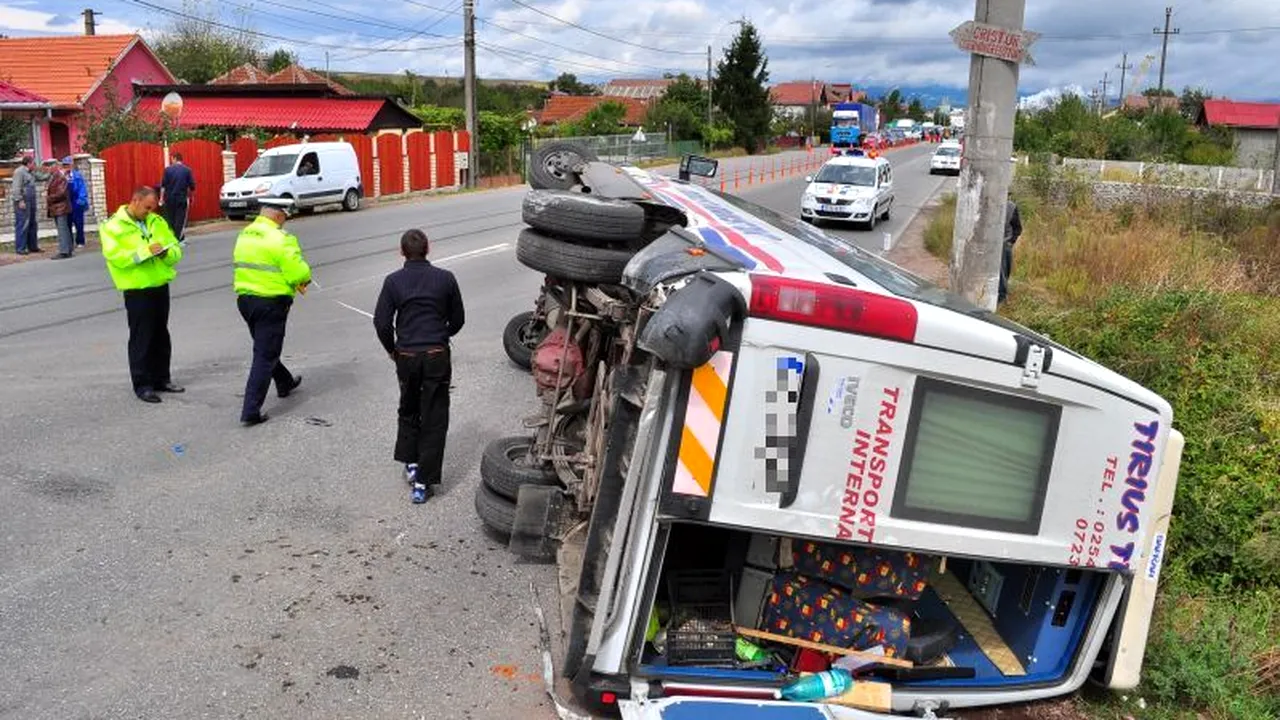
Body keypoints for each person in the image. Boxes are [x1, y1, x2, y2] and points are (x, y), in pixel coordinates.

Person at [373, 228, 465, 504]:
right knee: (435, 415)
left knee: (409, 407)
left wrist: (393, 349)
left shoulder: (393, 282)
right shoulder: (445, 279)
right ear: (429, 248)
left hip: (407, 356)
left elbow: (381, 322)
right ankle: (423, 482)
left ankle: (410, 462)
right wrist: (441, 335)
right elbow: (458, 319)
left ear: (401, 252)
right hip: (436, 353)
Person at [99, 186, 185, 403]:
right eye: (147, 208)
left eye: (152, 208)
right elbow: (115, 256)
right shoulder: (113, 226)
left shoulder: (157, 222)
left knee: (160, 334)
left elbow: (176, 248)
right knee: (142, 337)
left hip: (159, 283)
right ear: (135, 200)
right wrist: (145, 252)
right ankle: (143, 384)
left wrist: (167, 253)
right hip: (137, 288)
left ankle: (162, 379)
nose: (149, 212)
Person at [232, 198, 308, 426]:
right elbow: (297, 272)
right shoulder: (281, 238)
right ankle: (250, 411)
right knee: (265, 355)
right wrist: (305, 277)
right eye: (284, 216)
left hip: (246, 300)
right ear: (277, 215)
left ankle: (284, 382)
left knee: (266, 347)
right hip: (270, 302)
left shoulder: (246, 233)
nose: (285, 221)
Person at [158, 152, 195, 241]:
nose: (171, 161)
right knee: (180, 218)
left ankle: (175, 237)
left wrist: (161, 198)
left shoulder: (167, 170)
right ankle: (178, 238)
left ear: (174, 158)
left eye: (172, 159)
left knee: (171, 218)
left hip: (169, 198)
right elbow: (192, 186)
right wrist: (191, 196)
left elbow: (163, 186)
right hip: (181, 198)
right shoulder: (187, 170)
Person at [10, 156, 41, 255]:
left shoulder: (31, 173)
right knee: (23, 224)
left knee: (32, 223)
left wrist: (51, 171)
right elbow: (16, 188)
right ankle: (20, 248)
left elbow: (41, 177)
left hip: (31, 201)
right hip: (23, 201)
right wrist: (19, 200)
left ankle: (33, 246)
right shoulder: (19, 172)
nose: (34, 165)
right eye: (33, 163)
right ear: (28, 163)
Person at [45, 158, 73, 259]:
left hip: (61, 206)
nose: (47, 169)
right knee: (64, 229)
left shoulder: (60, 177)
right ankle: (68, 249)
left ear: (54, 167)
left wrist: (49, 198)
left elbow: (61, 193)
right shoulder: (55, 176)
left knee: (62, 230)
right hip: (58, 207)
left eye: (49, 166)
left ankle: (64, 251)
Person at [999, 198, 1023, 305]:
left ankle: (1001, 297)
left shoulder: (1011, 206)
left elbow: (1017, 228)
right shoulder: (984, 202)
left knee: (1003, 271)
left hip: (1004, 244)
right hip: (986, 244)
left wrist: (1010, 242)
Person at [64, 156, 90, 248]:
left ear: (72, 165)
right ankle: (69, 242)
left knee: (79, 222)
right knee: (68, 223)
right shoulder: (63, 176)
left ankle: (80, 241)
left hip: (76, 201)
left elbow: (82, 188)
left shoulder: (77, 175)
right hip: (67, 202)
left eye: (68, 165)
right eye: (65, 165)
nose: (66, 167)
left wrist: (81, 199)